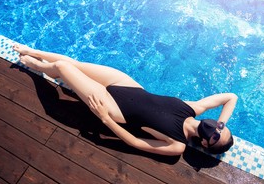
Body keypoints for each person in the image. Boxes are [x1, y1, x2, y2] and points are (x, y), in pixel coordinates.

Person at [13, 44, 238, 156]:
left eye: (217, 135)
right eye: (220, 126)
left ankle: (36, 66)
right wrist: (223, 124)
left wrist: (105, 120)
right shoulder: (194, 108)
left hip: (113, 108)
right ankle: (33, 51)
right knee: (76, 64)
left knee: (63, 67)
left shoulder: (177, 145)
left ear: (206, 143)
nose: (216, 127)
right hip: (128, 86)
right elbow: (231, 97)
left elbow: (136, 143)